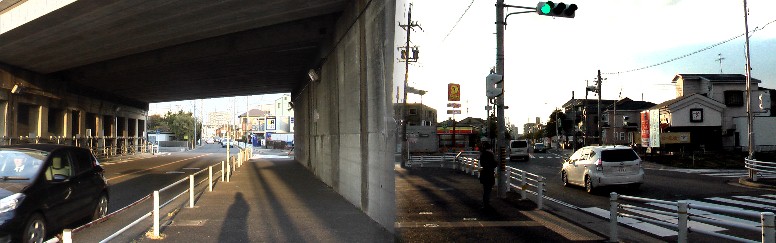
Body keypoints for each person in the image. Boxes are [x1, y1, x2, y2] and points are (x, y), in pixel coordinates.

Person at [478, 141, 497, 211]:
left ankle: (485, 204)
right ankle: (486, 205)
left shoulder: (482, 154)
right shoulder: (490, 154)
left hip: (484, 174)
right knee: (488, 190)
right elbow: (494, 163)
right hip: (489, 174)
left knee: (486, 190)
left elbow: (482, 164)